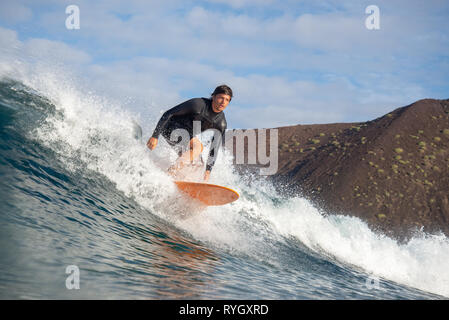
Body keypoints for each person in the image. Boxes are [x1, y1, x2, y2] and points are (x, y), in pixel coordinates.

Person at [147, 85, 232, 181]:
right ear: (214, 97)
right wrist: (155, 136)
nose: (223, 102)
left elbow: (214, 148)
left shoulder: (221, 123)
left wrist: (208, 172)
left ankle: (177, 182)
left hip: (186, 135)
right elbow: (168, 113)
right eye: (221, 98)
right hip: (170, 127)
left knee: (197, 164)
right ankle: (170, 173)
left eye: (227, 100)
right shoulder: (198, 105)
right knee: (198, 148)